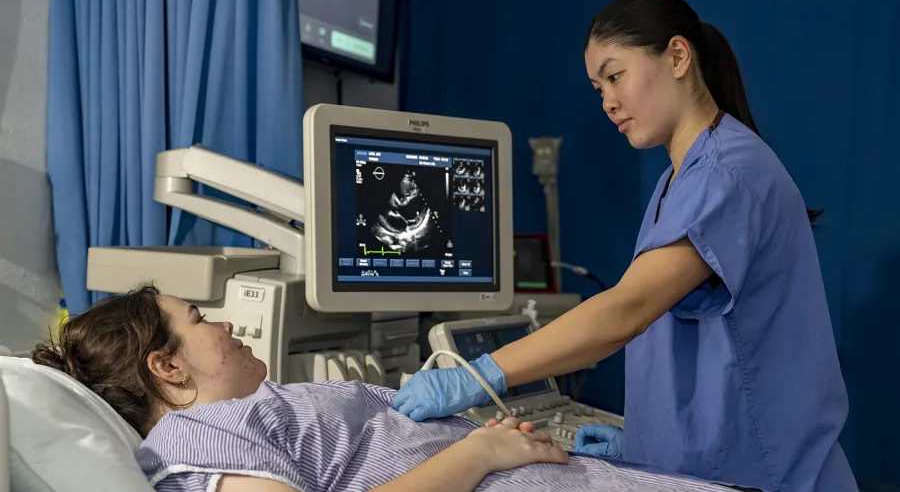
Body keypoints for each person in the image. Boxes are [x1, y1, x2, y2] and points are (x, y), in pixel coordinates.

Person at [392, 0, 857, 492]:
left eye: (615, 77)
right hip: (717, 466)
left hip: (768, 475)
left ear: (677, 57)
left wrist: (478, 375)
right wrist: (644, 444)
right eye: (598, 89)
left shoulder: (725, 173)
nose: (608, 102)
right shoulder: (681, 177)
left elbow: (626, 311)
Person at [32, 285, 733, 492]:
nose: (225, 323)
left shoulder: (253, 408)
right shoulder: (193, 437)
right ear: (167, 367)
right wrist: (480, 453)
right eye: (199, 318)